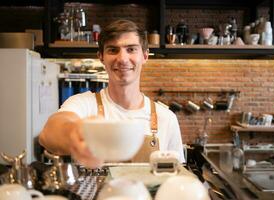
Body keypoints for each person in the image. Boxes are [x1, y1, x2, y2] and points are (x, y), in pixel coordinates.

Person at [39, 19, 185, 168]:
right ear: (101, 57)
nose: (122, 59)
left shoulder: (166, 119)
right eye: (113, 50)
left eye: (131, 49)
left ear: (145, 56)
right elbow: (48, 134)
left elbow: (177, 176)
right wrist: (74, 133)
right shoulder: (85, 104)